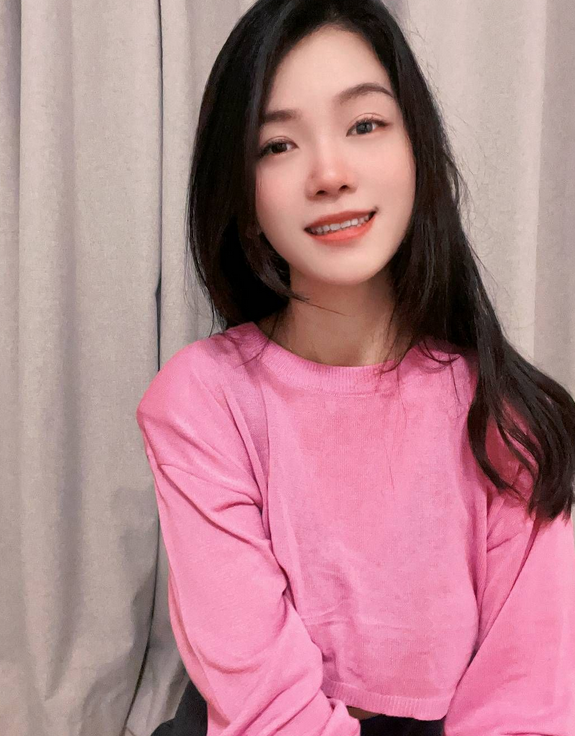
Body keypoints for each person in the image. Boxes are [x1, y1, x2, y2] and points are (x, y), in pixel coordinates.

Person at [136, 0, 575, 734]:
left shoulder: (507, 414)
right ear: (240, 191)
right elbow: (267, 705)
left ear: (416, 149)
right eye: (278, 144)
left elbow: (525, 701)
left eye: (365, 125)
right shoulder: (202, 401)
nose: (330, 173)